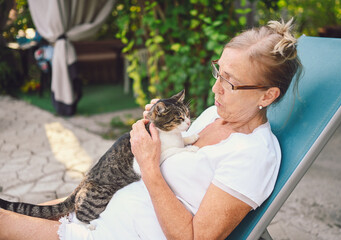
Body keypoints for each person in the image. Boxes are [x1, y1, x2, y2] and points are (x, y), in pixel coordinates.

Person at [0, 18, 302, 240]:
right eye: (217, 72)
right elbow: (172, 154)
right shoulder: (213, 115)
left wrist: (148, 164)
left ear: (268, 95)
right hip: (102, 210)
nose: (215, 88)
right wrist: (159, 129)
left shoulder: (252, 154)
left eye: (230, 82)